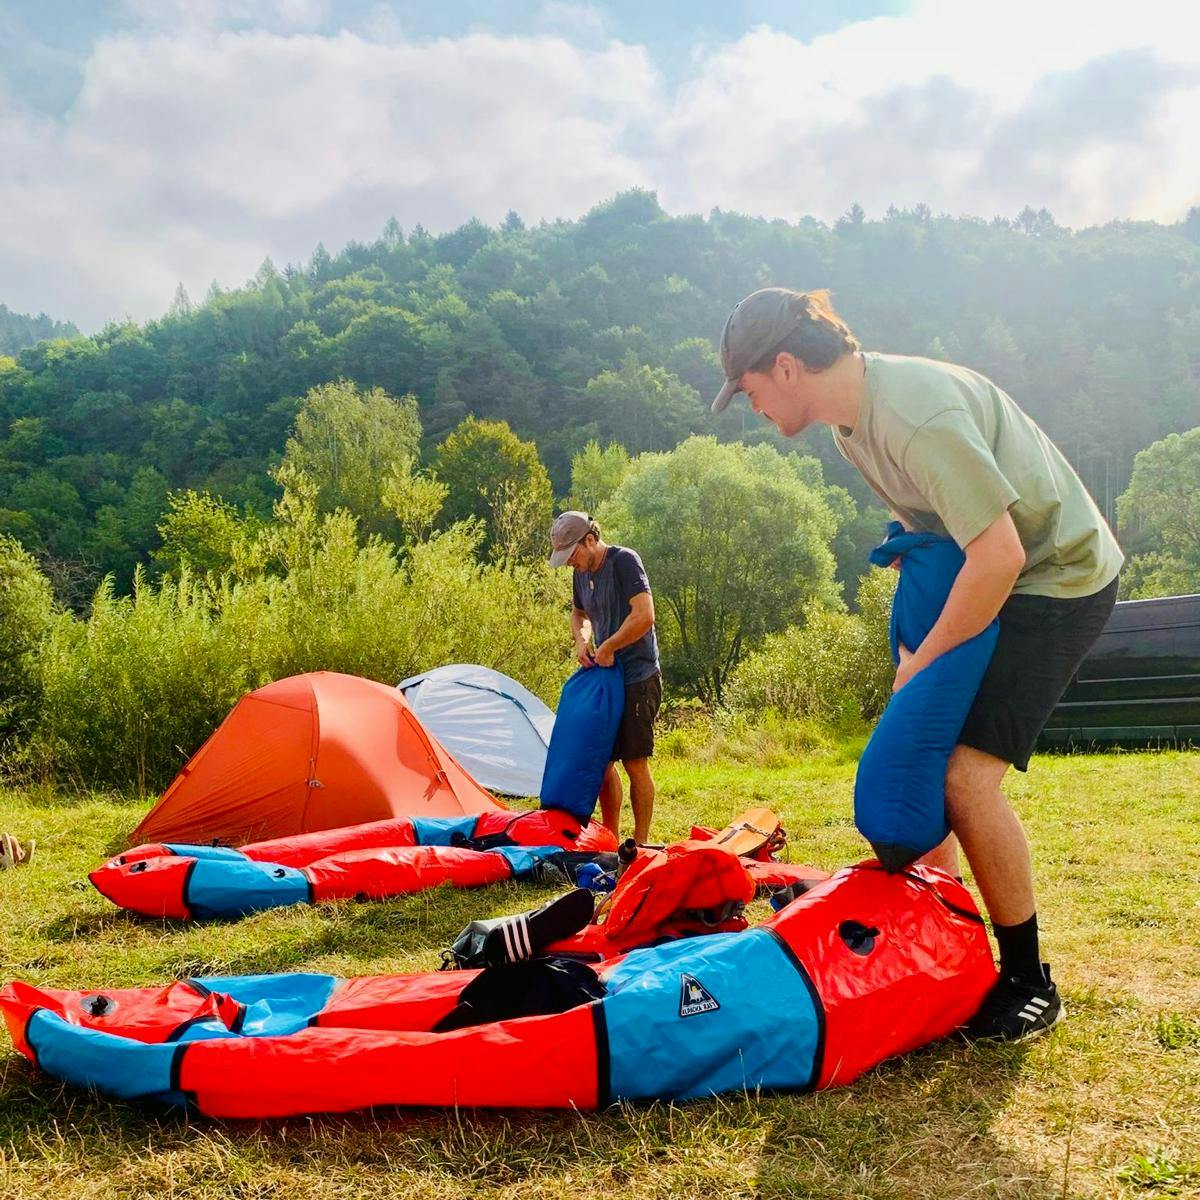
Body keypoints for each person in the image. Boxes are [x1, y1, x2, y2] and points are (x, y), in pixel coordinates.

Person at [711, 287, 1123, 1042]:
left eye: (749, 390)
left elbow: (998, 554)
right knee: (926, 759)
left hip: (1056, 578)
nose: (753, 406)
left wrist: (922, 664)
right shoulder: (851, 426)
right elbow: (920, 523)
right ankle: (945, 946)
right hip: (998, 570)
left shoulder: (914, 415)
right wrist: (915, 627)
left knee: (965, 778)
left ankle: (1029, 980)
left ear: (787, 366)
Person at [548, 511, 662, 843]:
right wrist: (583, 641)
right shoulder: (581, 573)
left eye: (572, 555)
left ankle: (639, 846)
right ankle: (611, 842)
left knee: (634, 763)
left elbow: (645, 616)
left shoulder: (625, 562)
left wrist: (610, 644)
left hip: (638, 675)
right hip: (605, 678)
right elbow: (579, 613)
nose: (570, 563)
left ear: (591, 540)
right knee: (600, 763)